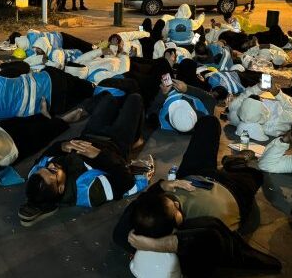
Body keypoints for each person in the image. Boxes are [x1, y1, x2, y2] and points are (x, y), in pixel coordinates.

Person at [112, 116, 281, 277]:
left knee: (209, 123)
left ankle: (230, 164)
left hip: (193, 175)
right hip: (233, 189)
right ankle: (235, 163)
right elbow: (210, 237)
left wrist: (163, 185)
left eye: (169, 199)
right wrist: (156, 245)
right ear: (175, 227)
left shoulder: (135, 229)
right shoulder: (193, 235)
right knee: (255, 175)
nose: (176, 203)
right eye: (176, 210)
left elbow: (132, 214)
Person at [19, 93, 148, 226]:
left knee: (109, 99)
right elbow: (125, 181)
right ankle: (136, 139)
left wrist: (62, 146)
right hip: (116, 143)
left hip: (90, 134)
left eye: (46, 168)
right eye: (53, 172)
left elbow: (47, 154)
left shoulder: (35, 175)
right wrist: (99, 155)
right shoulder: (88, 191)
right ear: (62, 188)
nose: (51, 165)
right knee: (135, 98)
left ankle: (91, 110)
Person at [0, 66, 94, 120]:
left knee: (76, 97)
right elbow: (23, 66)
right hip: (52, 80)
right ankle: (91, 87)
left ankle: (89, 95)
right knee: (53, 71)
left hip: (55, 106)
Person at [227, 84, 292, 142]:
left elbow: (237, 102)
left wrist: (259, 87)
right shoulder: (277, 122)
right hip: (287, 101)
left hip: (274, 100)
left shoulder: (235, 116)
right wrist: (277, 93)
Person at [148, 78, 217, 133]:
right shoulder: (206, 118)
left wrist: (162, 93)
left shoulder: (161, 123)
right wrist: (187, 89)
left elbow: (150, 113)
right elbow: (210, 98)